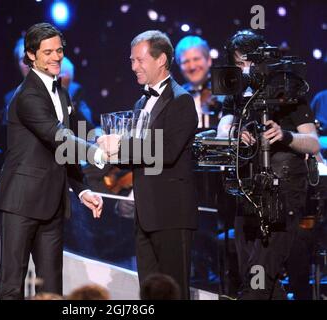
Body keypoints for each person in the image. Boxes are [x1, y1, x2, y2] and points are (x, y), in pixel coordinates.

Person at [0, 22, 105, 300]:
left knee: (52, 288)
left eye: (59, 51)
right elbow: (60, 137)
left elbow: (71, 142)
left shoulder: (62, 93)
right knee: (12, 285)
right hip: (20, 203)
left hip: (52, 205)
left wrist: (83, 189)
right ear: (31, 55)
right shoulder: (27, 96)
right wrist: (98, 154)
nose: (56, 57)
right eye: (48, 52)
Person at [216, 30, 320, 299]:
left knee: (258, 279)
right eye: (238, 64)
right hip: (247, 191)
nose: (245, 69)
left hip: (283, 193)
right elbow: (222, 128)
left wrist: (284, 136)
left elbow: (313, 142)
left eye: (248, 62)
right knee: (258, 278)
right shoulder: (236, 93)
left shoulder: (287, 88)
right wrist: (235, 132)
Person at [98, 30, 198, 299]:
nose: (133, 67)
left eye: (139, 60)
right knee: (149, 293)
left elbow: (166, 151)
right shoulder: (140, 102)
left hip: (172, 214)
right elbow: (137, 156)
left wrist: (122, 146)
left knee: (173, 292)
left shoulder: (182, 101)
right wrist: (112, 151)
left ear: (161, 59)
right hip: (144, 214)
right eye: (131, 61)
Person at [174, 35, 223, 129]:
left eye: (196, 59)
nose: (192, 66)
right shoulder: (175, 96)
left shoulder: (225, 91)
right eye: (185, 62)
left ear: (208, 60)